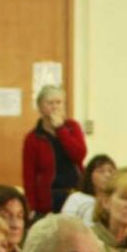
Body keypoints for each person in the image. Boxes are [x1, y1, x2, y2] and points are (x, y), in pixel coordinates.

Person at [21, 84, 87, 215]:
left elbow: (79, 155)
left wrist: (61, 129)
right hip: (49, 197)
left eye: (58, 102)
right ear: (40, 107)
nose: (55, 106)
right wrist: (31, 206)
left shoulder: (73, 127)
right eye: (49, 103)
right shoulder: (33, 138)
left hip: (75, 192)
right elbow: (29, 175)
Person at [61, 154, 116, 226]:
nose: (107, 175)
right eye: (101, 171)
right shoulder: (77, 198)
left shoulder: (117, 201)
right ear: (90, 175)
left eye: (111, 171)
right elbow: (64, 225)